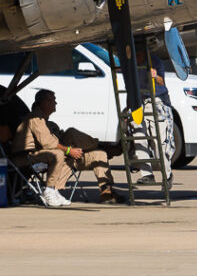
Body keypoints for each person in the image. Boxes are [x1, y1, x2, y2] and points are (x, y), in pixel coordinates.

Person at [11, 89, 125, 206]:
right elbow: (48, 143)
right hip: (32, 158)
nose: (56, 103)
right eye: (53, 100)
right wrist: (69, 150)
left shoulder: (48, 123)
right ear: (44, 102)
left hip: (60, 158)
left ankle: (107, 190)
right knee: (69, 137)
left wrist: (70, 149)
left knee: (99, 155)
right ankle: (53, 190)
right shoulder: (35, 118)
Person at [133, 49, 175, 185]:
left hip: (157, 102)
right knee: (138, 137)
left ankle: (167, 175)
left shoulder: (154, 61)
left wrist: (155, 76)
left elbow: (162, 81)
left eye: (139, 54)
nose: (137, 56)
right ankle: (147, 174)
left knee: (160, 143)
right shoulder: (132, 62)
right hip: (140, 101)